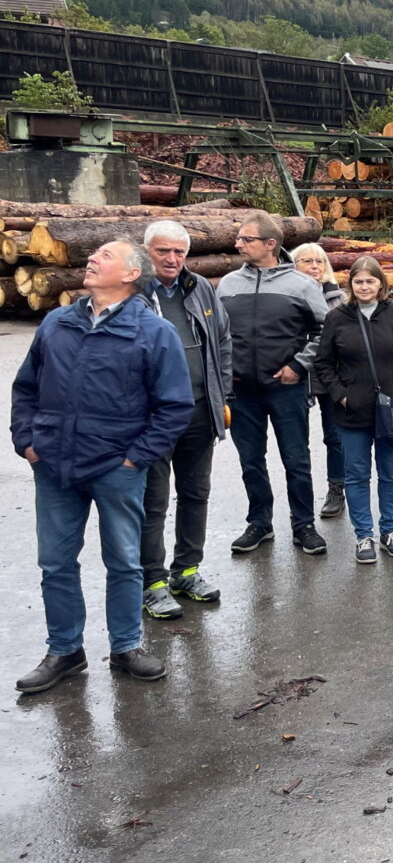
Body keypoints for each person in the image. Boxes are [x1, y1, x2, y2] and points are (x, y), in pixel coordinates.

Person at [13, 239, 192, 694]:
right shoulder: (57, 322)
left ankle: (126, 647)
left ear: (131, 274)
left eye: (105, 256)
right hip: (54, 465)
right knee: (55, 563)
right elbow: (26, 388)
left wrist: (135, 458)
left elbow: (175, 406)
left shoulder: (153, 332)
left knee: (125, 562)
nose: (91, 258)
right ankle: (64, 651)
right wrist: (27, 443)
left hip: (116, 467)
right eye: (93, 254)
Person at [218, 211, 331, 556]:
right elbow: (218, 335)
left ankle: (304, 524)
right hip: (242, 391)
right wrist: (226, 372)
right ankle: (259, 523)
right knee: (251, 461)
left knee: (296, 460)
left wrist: (298, 365)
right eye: (238, 238)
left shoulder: (302, 285)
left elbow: (326, 331)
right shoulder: (228, 284)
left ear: (270, 244)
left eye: (246, 239)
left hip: (286, 389)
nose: (238, 244)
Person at [138, 220, 232, 620]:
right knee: (152, 502)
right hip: (153, 419)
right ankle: (152, 582)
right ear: (147, 252)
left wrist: (222, 394)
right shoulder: (133, 292)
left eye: (179, 252)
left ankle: (187, 571)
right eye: (163, 251)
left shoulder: (200, 288)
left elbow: (223, 341)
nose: (172, 259)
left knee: (196, 494)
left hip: (198, 410)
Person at [312, 256, 393, 562]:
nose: (364, 287)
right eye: (358, 281)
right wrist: (341, 395)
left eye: (370, 281)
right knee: (357, 474)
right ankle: (363, 535)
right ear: (350, 285)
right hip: (353, 409)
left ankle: (390, 530)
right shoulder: (337, 318)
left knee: (391, 474)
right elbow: (323, 363)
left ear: (381, 284)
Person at [290, 243, 348, 520]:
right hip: (295, 373)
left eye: (320, 261)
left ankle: (336, 488)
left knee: (334, 436)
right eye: (307, 261)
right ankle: (301, 497)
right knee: (295, 440)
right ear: (293, 265)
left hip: (330, 375)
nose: (315, 266)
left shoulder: (339, 298)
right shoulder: (286, 295)